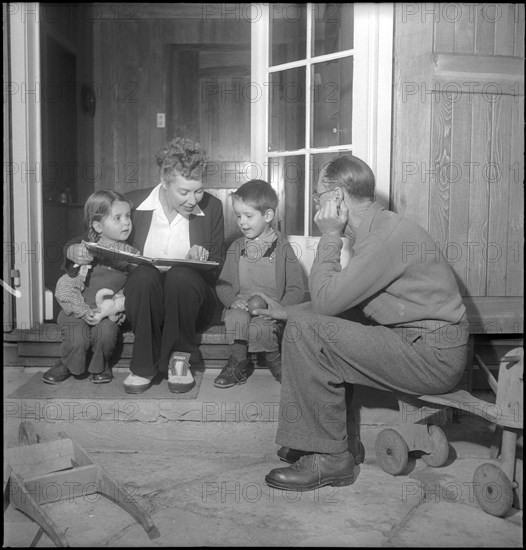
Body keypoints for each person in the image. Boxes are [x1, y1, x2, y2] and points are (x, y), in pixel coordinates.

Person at [251, 155, 470, 492]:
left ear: (337, 196)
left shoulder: (383, 238)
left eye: (318, 193)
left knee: (308, 331)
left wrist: (329, 237)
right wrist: (287, 311)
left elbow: (326, 302)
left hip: (433, 358)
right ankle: (317, 437)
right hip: (419, 344)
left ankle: (332, 458)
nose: (314, 201)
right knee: (304, 323)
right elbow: (340, 300)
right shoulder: (379, 229)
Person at [64, 137, 225, 394]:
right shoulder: (134, 204)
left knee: (181, 276)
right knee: (143, 275)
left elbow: (218, 264)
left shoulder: (213, 207)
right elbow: (93, 234)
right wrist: (72, 249)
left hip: (190, 300)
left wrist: (202, 258)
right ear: (164, 182)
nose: (193, 200)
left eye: (198, 190)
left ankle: (180, 360)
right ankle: (142, 365)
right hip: (145, 299)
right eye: (183, 192)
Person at [214, 180, 305, 388]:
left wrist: (279, 308)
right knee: (235, 318)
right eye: (238, 216)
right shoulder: (236, 248)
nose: (242, 222)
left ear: (268, 216)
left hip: (271, 309)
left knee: (262, 327)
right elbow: (222, 284)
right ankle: (239, 362)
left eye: (248, 216)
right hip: (243, 305)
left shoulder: (283, 249)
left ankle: (275, 361)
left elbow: (296, 289)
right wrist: (232, 300)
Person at [43, 190, 139, 385]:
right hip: (76, 309)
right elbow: (67, 283)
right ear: (98, 225)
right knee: (75, 337)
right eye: (118, 218)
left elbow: (133, 286)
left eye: (128, 216)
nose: (126, 222)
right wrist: (81, 310)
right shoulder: (85, 249)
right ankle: (68, 364)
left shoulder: (132, 254)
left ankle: (100, 365)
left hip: (107, 310)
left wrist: (115, 307)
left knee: (106, 334)